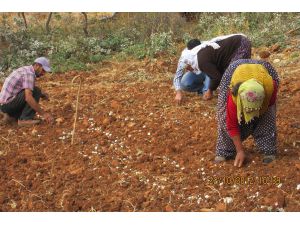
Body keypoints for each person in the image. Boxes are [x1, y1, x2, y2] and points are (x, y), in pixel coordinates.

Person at [215, 59, 280, 167]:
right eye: (248, 109)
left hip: (264, 70)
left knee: (267, 116)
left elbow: (269, 106)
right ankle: (225, 150)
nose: (251, 112)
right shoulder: (233, 96)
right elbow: (231, 125)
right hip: (234, 71)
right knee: (224, 116)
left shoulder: (270, 89)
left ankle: (268, 150)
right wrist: (240, 151)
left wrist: (258, 113)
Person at [181, 33, 252, 101]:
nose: (189, 70)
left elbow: (216, 77)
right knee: (229, 76)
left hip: (240, 44)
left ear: (190, 63)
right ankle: (236, 96)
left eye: (188, 68)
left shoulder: (201, 61)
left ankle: (239, 98)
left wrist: (210, 91)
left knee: (232, 75)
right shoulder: (199, 56)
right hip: (238, 44)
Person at [0, 57, 54, 126]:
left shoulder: (26, 70)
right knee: (36, 91)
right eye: (43, 70)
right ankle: (25, 119)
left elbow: (25, 88)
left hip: (4, 105)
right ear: (37, 65)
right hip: (7, 106)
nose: (43, 73)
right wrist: (44, 114)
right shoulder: (29, 74)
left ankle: (12, 117)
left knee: (35, 90)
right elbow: (28, 98)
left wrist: (42, 94)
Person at [173, 39, 211, 105]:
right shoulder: (185, 56)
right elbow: (177, 76)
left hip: (209, 72)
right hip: (197, 72)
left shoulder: (208, 48)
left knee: (210, 72)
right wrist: (178, 93)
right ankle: (202, 89)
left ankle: (207, 91)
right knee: (184, 84)